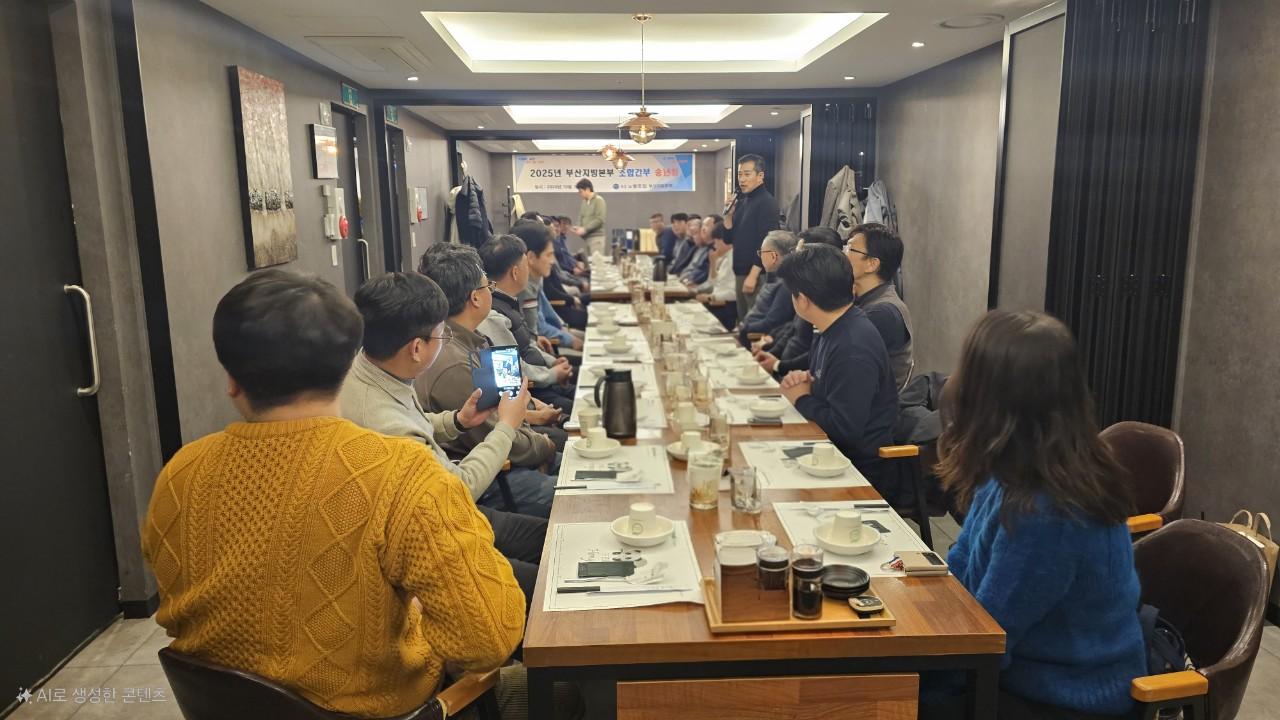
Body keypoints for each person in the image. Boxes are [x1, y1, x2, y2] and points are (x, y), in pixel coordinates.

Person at [141, 269, 524, 718]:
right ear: (349, 364)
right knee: (565, 692)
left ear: (232, 379)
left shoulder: (180, 474)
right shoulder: (403, 475)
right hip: (387, 709)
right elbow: (487, 639)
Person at [930, 310, 1146, 719]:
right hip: (1015, 668)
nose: (954, 384)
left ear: (995, 398)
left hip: (1065, 697)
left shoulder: (1049, 513)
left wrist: (902, 670)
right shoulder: (1017, 466)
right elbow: (961, 565)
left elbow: (990, 642)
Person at [339, 272, 547, 606]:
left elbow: (416, 422)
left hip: (443, 510)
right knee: (543, 582)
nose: (445, 339)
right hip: (434, 533)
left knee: (549, 538)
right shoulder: (386, 423)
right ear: (417, 348)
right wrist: (507, 426)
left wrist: (458, 421)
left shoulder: (370, 366)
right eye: (441, 334)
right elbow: (459, 487)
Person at [417, 248, 560, 518]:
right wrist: (544, 446)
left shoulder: (476, 338)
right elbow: (498, 435)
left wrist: (533, 420)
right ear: (475, 297)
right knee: (577, 491)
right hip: (494, 477)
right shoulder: (455, 363)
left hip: (515, 444)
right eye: (488, 286)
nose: (491, 292)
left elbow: (510, 397)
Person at [776, 244, 898, 491]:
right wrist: (808, 383)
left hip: (857, 473)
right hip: (827, 455)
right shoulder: (835, 326)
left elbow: (845, 429)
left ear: (803, 300)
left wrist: (801, 398)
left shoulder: (853, 347)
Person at [478, 234, 575, 415]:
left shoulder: (508, 302)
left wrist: (552, 362)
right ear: (515, 272)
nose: (528, 271)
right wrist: (552, 374)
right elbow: (511, 373)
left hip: (542, 380)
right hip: (534, 392)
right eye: (526, 266)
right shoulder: (493, 316)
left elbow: (525, 344)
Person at [753, 226, 843, 374]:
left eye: (798, 253)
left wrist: (779, 366)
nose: (793, 258)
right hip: (784, 367)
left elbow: (817, 354)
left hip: (796, 375)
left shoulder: (828, 298)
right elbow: (793, 328)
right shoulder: (806, 287)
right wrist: (771, 354)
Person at [846, 223, 915, 389]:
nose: (843, 253)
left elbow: (841, 366)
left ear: (872, 264)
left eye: (850, 248)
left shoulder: (882, 312)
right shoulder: (866, 299)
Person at [724, 153, 780, 323]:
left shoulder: (767, 202)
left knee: (753, 324)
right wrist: (728, 215)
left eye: (747, 174)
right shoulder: (742, 202)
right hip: (740, 272)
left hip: (756, 274)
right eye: (740, 174)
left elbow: (767, 242)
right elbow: (728, 239)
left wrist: (754, 275)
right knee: (743, 322)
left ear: (760, 176)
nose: (742, 179)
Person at [739, 229, 799, 346]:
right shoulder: (774, 278)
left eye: (761, 252)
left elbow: (773, 322)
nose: (760, 256)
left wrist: (745, 328)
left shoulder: (785, 285)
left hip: (758, 341)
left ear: (773, 256)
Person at [694, 221, 737, 329]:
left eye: (716, 241)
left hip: (726, 309)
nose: (715, 245)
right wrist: (713, 264)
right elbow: (713, 283)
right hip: (716, 304)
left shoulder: (735, 259)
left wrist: (710, 297)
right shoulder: (724, 258)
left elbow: (734, 293)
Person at [679, 213, 720, 286]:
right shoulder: (706, 248)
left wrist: (690, 280)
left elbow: (704, 273)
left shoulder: (716, 249)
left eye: (707, 225)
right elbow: (694, 269)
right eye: (703, 225)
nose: (703, 229)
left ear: (717, 227)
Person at [571, 178, 607, 255]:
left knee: (596, 261)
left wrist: (585, 229)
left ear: (587, 189)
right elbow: (581, 216)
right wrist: (578, 227)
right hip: (587, 239)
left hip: (596, 238)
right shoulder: (584, 202)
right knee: (589, 261)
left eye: (581, 191)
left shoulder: (599, 200)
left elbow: (600, 219)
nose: (580, 194)